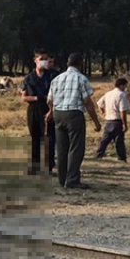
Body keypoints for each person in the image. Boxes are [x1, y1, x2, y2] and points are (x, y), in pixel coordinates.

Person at [47, 53, 101, 188]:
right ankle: (72, 179)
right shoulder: (81, 79)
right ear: (80, 64)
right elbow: (87, 102)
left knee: (61, 148)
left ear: (67, 63)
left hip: (58, 114)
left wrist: (52, 112)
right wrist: (96, 121)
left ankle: (62, 178)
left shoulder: (57, 78)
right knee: (76, 148)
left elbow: (49, 100)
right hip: (74, 114)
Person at [20, 49, 59, 175]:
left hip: (49, 108)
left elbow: (57, 95)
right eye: (41, 59)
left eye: (46, 59)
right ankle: (34, 166)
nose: (44, 61)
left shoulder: (53, 75)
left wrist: (51, 111)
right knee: (35, 137)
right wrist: (37, 98)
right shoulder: (29, 78)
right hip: (33, 109)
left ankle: (48, 166)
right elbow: (24, 97)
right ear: (35, 60)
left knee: (49, 139)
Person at [95, 77, 130, 161]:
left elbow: (99, 104)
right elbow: (123, 111)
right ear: (122, 85)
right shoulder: (121, 95)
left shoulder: (108, 93)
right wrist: (125, 124)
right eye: (125, 86)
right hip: (117, 121)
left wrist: (102, 113)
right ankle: (121, 158)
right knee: (119, 141)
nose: (126, 88)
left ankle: (99, 154)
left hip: (109, 120)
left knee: (105, 140)